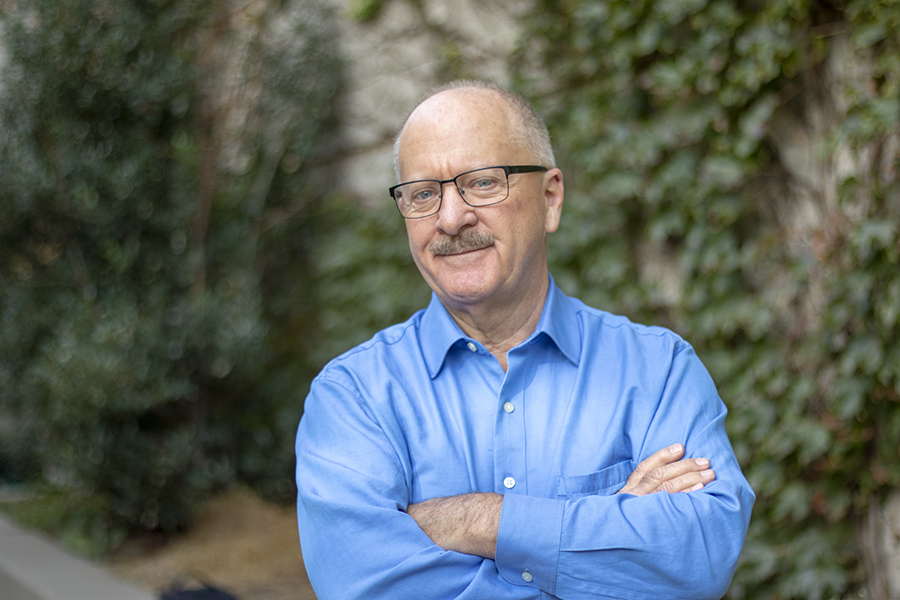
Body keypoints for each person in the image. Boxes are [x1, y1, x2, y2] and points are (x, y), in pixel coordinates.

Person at [295, 80, 754, 600]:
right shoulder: (352, 397)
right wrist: (606, 535)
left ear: (550, 199)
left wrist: (478, 520)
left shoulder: (659, 369)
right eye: (423, 194)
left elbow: (700, 557)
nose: (450, 218)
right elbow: (367, 586)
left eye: (483, 183)